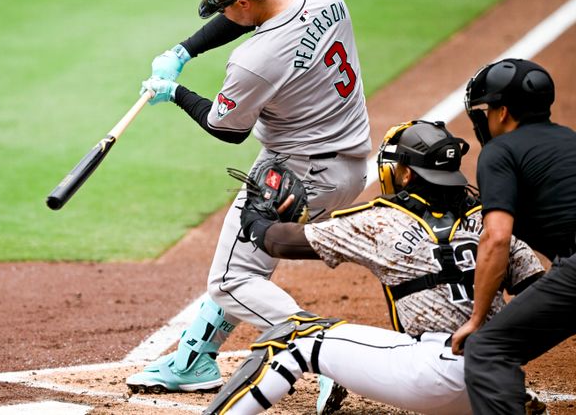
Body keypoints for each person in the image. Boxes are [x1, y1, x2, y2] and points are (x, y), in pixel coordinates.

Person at [126, 0, 371, 412]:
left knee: (230, 280)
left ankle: (330, 356)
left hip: (297, 175)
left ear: (240, 5)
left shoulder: (255, 60)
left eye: (223, 6)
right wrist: (185, 49)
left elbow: (226, 128)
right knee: (243, 263)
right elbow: (245, 15)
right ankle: (193, 361)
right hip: (350, 160)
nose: (222, 14)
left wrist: (173, 91)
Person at [202, 120, 546, 415]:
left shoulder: (382, 222)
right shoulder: (494, 225)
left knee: (294, 337)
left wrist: (254, 216)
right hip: (496, 384)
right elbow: (542, 295)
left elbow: (280, 242)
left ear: (408, 173)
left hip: (430, 378)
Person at [451, 58, 576, 414]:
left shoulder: (499, 152)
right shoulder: (568, 139)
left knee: (488, 350)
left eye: (487, 109)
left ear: (503, 112)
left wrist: (477, 320)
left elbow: (497, 238)